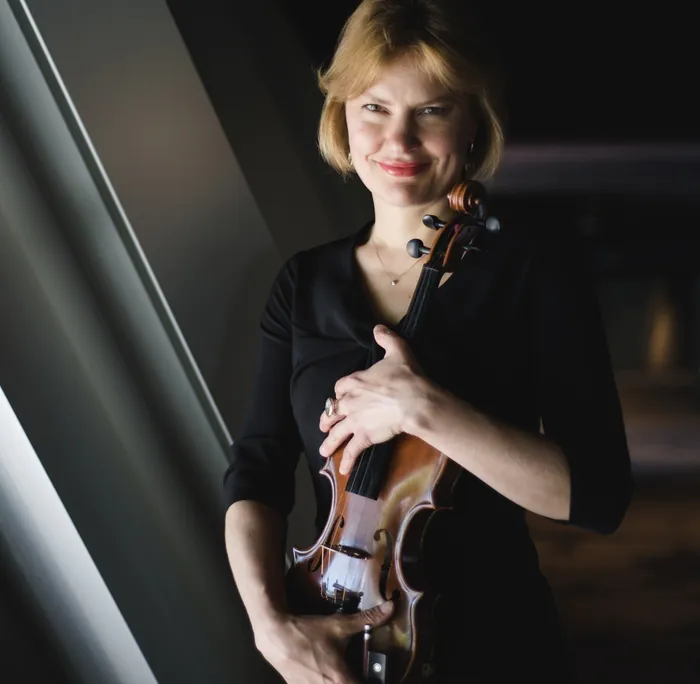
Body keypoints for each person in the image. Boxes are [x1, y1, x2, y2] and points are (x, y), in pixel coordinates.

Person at [223, 1, 633, 682]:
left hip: (496, 647)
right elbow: (255, 475)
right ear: (342, 117)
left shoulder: (533, 273)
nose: (398, 141)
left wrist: (423, 410)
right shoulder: (305, 283)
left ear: (474, 123)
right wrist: (274, 631)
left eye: (433, 110)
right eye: (375, 108)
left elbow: (596, 497)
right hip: (329, 643)